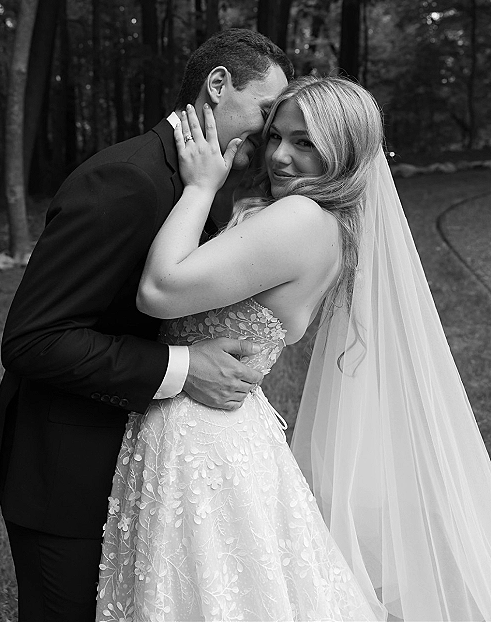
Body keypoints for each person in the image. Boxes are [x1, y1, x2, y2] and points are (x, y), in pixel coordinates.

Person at [96, 76, 491, 622]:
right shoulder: (330, 222)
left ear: (344, 152)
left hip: (204, 431)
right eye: (276, 136)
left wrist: (200, 188)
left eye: (305, 143)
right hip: (224, 424)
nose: (280, 156)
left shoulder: (300, 219)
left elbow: (159, 291)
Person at [0, 28, 292, 622]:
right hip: (64, 464)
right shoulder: (124, 180)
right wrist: (184, 367)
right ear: (217, 87)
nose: (271, 131)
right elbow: (32, 340)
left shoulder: (203, 180)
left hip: (140, 459)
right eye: (267, 110)